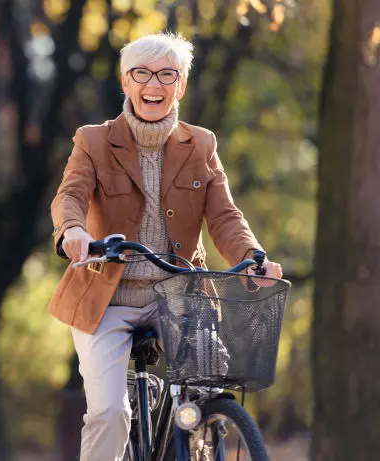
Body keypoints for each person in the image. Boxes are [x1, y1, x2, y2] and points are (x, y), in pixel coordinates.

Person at [49, 32, 283, 461]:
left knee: (208, 389)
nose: (153, 84)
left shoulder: (201, 144)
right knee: (109, 413)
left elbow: (225, 216)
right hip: (107, 299)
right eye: (141, 74)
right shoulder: (93, 140)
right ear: (126, 82)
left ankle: (195, 444)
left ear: (181, 85)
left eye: (166, 75)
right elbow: (71, 195)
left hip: (180, 296)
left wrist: (253, 257)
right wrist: (73, 231)